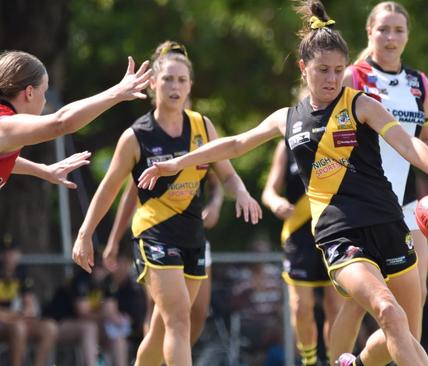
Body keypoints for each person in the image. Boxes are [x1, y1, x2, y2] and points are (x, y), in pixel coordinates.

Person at [135, 2, 428, 364]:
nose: (331, 79)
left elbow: (410, 143)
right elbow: (235, 144)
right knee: (388, 312)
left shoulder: (361, 104)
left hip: (389, 224)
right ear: (304, 69)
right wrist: (177, 161)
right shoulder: (288, 119)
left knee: (407, 332)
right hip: (341, 235)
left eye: (337, 70)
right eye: (322, 71)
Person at [71, 41, 262, 366]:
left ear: (190, 86)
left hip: (192, 235)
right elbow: (110, 189)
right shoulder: (136, 137)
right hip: (154, 235)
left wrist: (240, 191)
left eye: (182, 80)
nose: (175, 86)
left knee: (162, 329)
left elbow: (227, 174)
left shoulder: (203, 126)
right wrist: (85, 233)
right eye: (168, 79)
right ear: (153, 83)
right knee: (178, 320)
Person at [328, 2, 428, 359]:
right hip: (362, 207)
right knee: (360, 303)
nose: (391, 38)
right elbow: (325, 141)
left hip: (408, 207)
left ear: (408, 36)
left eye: (399, 30)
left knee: (414, 301)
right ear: (369, 32)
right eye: (383, 29)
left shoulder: (419, 83)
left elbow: (426, 138)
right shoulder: (352, 78)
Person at [0, 50, 151, 189]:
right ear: (30, 92)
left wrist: (44, 170)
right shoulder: (5, 125)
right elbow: (61, 123)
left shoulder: (7, 132)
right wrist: (117, 93)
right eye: (44, 91)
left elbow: (7, 155)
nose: (45, 101)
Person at [103, 171, 222, 345]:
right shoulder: (143, 145)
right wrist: (114, 240)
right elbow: (129, 194)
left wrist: (215, 205)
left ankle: (175, 358)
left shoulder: (203, 143)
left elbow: (221, 180)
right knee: (159, 310)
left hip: (194, 238)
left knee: (198, 312)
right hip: (156, 238)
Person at [262, 140, 343, 365]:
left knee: (336, 306)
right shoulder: (286, 146)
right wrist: (276, 202)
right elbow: (269, 191)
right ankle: (308, 360)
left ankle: (333, 359)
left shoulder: (339, 137)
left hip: (334, 230)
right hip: (298, 235)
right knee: (300, 306)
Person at [0, 237, 58, 366]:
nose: (9, 256)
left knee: (50, 327)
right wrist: (15, 315)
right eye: (5, 252)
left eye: (12, 252)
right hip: (6, 324)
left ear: (19, 255)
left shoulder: (23, 277)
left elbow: (30, 309)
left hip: (18, 320)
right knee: (18, 328)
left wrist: (16, 315)